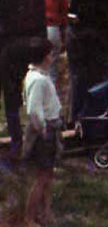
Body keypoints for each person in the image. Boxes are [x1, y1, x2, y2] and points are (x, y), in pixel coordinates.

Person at [0, 0, 57, 160]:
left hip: (10, 47)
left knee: (12, 97)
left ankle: (17, 143)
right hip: (34, 46)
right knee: (39, 94)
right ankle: (41, 141)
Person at [22, 37, 62, 227]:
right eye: (52, 53)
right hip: (44, 131)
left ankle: (45, 213)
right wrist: (44, 129)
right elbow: (33, 110)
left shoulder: (39, 75)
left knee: (48, 174)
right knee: (42, 177)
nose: (53, 56)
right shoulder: (38, 80)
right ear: (46, 57)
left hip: (49, 128)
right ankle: (29, 217)